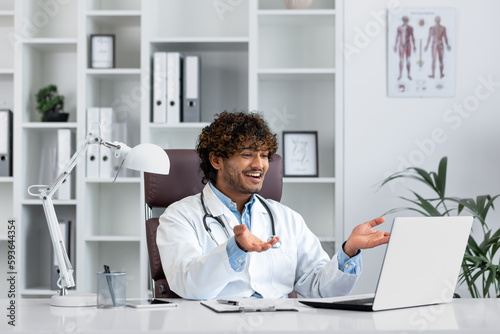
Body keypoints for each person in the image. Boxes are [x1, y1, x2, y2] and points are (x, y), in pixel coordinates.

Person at [157, 111, 390, 300]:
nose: (260, 164)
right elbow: (189, 286)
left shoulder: (286, 218)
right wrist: (235, 248)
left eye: (265, 155)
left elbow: (321, 289)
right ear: (216, 159)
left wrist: (349, 250)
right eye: (247, 154)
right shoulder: (179, 216)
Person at [394, 16, 416, 81]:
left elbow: (412, 37)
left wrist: (414, 46)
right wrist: (395, 45)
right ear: (402, 21)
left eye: (406, 20)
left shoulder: (410, 28)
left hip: (408, 45)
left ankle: (408, 74)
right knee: (401, 60)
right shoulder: (399, 28)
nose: (405, 22)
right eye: (404, 20)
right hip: (401, 45)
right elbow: (397, 37)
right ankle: (400, 74)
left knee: (408, 60)